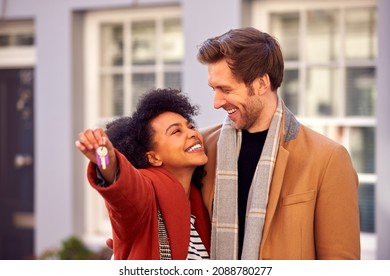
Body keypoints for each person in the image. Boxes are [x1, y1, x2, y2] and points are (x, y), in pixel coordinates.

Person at [196, 27, 361, 260]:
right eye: (214, 89)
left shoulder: (328, 159)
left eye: (226, 89)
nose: (216, 102)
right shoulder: (201, 148)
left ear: (262, 83)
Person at [75, 88, 211, 260]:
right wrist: (106, 159)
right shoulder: (147, 190)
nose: (193, 133)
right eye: (177, 131)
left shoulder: (198, 199)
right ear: (153, 157)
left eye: (190, 126)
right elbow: (127, 188)